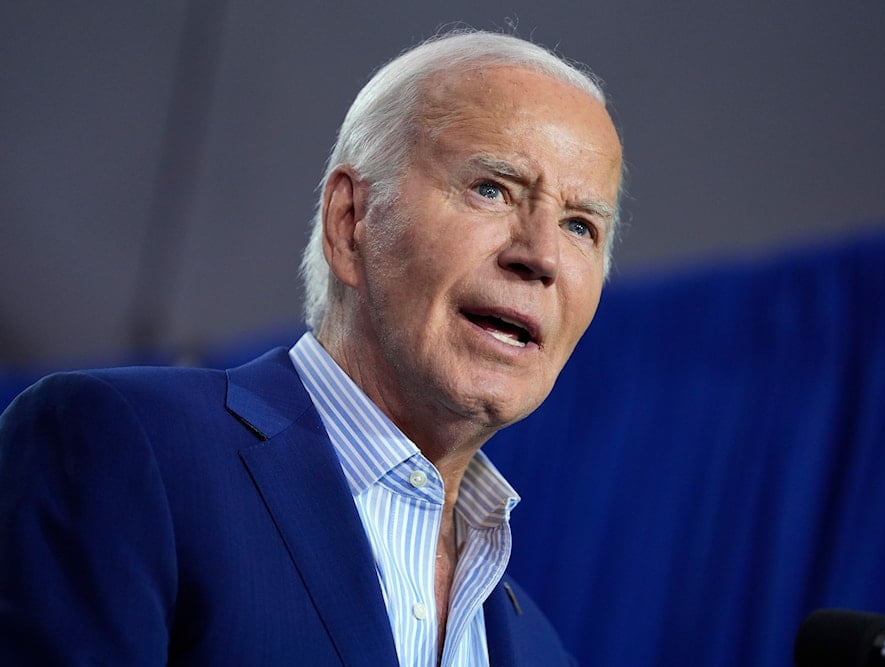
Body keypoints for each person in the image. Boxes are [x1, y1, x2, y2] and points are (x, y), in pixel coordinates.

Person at [0, 29, 623, 666]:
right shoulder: (124, 447)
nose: (541, 256)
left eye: (581, 226)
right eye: (493, 188)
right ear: (350, 222)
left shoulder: (542, 649)